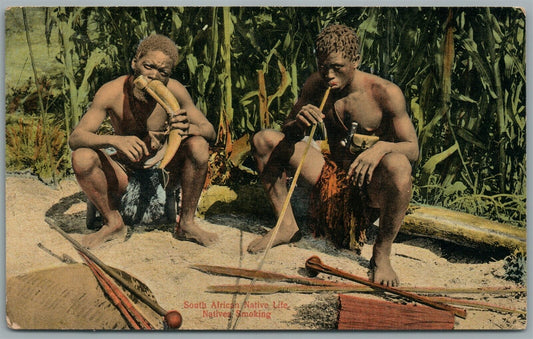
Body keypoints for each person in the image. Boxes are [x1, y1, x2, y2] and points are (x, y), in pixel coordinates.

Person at [248, 24, 419, 286]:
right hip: (331, 174)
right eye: (322, 66)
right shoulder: (316, 85)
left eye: (337, 67)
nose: (329, 75)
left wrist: (381, 148)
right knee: (264, 140)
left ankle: (381, 256)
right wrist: (299, 124)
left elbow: (413, 149)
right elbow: (288, 132)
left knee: (398, 164)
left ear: (356, 61)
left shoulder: (384, 93)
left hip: (370, 184)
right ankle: (286, 225)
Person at [69, 34, 218, 249]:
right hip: (124, 170)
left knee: (199, 145)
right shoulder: (111, 92)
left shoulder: (175, 91)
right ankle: (113, 223)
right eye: (148, 66)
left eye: (162, 72)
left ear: (168, 76)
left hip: (163, 171)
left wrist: (188, 129)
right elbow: (76, 138)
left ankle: (186, 223)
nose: (153, 75)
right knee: (82, 157)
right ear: (135, 63)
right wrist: (115, 140)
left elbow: (209, 131)